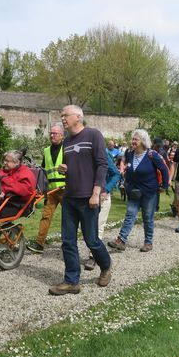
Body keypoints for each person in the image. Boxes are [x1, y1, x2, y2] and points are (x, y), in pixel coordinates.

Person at [48, 105, 112, 295]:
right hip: (70, 197)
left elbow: (102, 165)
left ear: (78, 117)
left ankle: (106, 266)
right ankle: (71, 281)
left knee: (91, 240)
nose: (63, 119)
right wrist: (65, 169)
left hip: (88, 198)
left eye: (65, 115)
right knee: (67, 241)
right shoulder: (66, 141)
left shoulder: (93, 135)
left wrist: (96, 192)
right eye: (61, 116)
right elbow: (79, 165)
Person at [108, 129, 169, 252]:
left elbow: (164, 169)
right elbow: (129, 170)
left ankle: (148, 242)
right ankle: (121, 240)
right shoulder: (130, 153)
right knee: (130, 214)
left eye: (136, 139)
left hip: (149, 192)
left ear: (143, 141)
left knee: (147, 217)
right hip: (134, 191)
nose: (133, 141)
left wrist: (164, 186)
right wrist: (125, 184)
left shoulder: (152, 155)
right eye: (133, 139)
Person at [28, 124, 65, 254]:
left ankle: (68, 242)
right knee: (46, 216)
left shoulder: (67, 149)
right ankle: (39, 243)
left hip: (65, 189)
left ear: (62, 135)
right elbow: (43, 170)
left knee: (68, 218)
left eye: (55, 133)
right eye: (51, 133)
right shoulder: (46, 150)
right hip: (51, 190)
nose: (52, 135)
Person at [83, 147, 121, 270]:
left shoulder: (102, 153)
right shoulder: (79, 151)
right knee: (85, 227)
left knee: (98, 227)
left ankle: (93, 257)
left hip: (102, 197)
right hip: (83, 196)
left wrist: (107, 189)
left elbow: (115, 173)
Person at [0, 150, 36, 219]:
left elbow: (24, 190)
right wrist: (2, 189)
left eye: (7, 161)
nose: (4, 163)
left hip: (17, 204)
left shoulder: (25, 173)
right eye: (5, 160)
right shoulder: (6, 170)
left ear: (17, 162)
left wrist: (4, 188)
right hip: (5, 201)